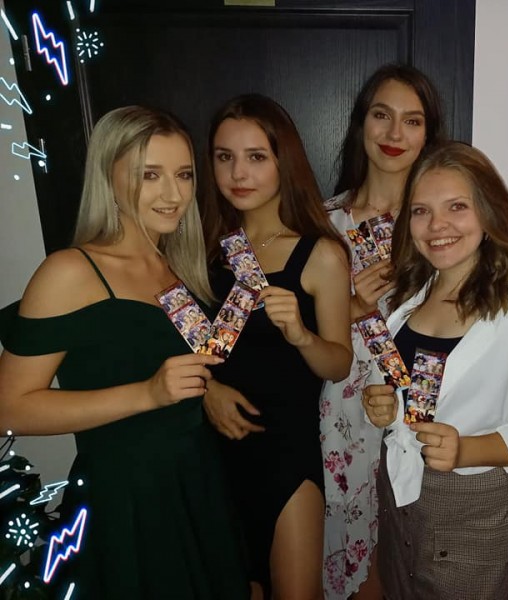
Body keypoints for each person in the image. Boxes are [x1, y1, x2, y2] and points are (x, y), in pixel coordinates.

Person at [0, 106, 249, 598]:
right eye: (149, 175)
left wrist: (209, 389)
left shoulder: (177, 264)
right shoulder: (71, 271)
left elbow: (158, 358)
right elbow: (9, 407)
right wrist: (147, 394)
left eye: (183, 175)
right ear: (108, 176)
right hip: (126, 497)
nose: (173, 194)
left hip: (196, 481)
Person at [361, 142, 508, 600]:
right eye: (421, 211)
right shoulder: (407, 301)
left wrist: (466, 449)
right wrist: (382, 404)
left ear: (488, 214)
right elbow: (398, 390)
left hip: (474, 510)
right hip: (399, 494)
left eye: (457, 207)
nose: (437, 226)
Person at [199, 94, 352, 600]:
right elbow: (178, 346)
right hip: (214, 453)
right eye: (225, 157)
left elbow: (339, 363)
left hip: (287, 452)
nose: (238, 173)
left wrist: (302, 335)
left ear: (283, 162)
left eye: (256, 157)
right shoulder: (205, 250)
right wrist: (206, 390)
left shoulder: (320, 253)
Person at [319, 63, 445, 600]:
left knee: (413, 556)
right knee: (348, 555)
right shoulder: (322, 222)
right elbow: (290, 333)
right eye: (382, 115)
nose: (395, 134)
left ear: (428, 134)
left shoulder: (440, 225)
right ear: (360, 123)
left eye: (412, 121)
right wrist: (351, 307)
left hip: (421, 406)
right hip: (340, 408)